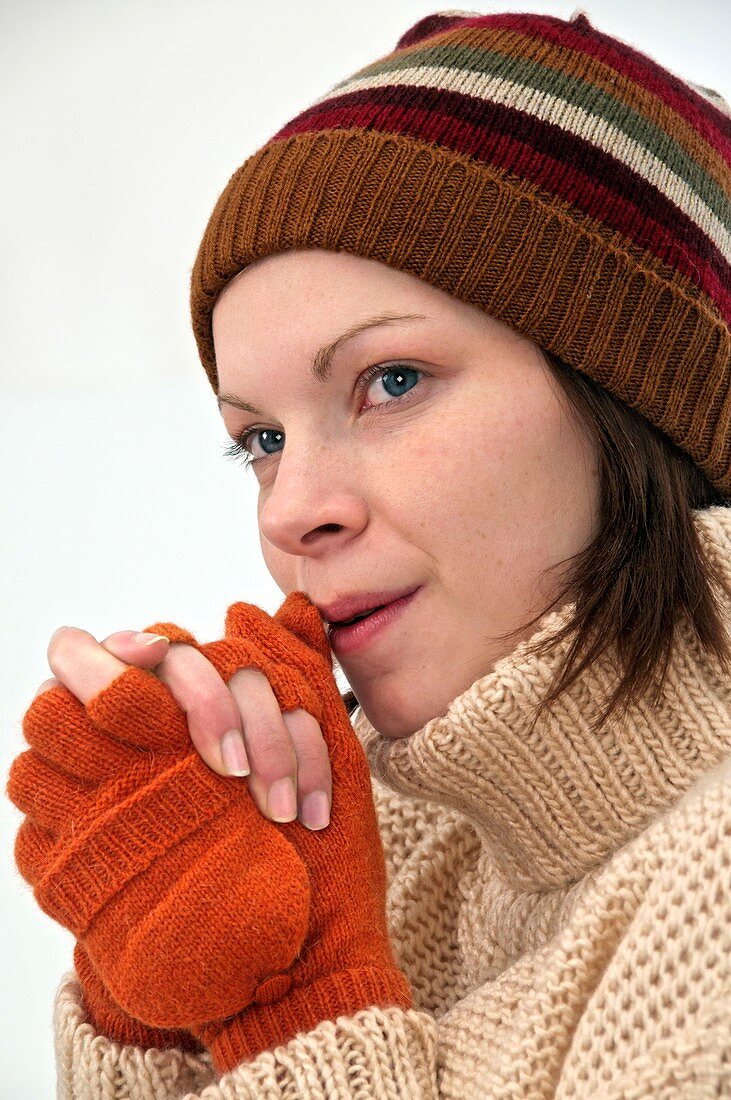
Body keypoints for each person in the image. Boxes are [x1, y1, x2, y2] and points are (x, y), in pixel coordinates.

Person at [6, 8, 731, 1098]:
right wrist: (155, 1008)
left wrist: (294, 1008)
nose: (290, 511)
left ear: (630, 394)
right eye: (260, 438)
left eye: (389, 381)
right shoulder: (369, 848)